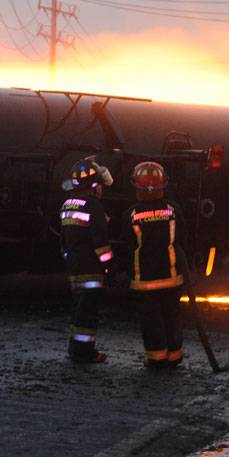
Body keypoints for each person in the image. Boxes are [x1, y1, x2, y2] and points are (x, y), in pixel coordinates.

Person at [126, 161, 186, 369]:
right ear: (164, 185)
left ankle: (156, 358)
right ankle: (174, 356)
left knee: (152, 320)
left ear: (137, 186)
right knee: (172, 317)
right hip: (172, 277)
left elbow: (127, 244)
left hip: (145, 280)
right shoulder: (173, 209)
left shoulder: (132, 214)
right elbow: (182, 239)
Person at [59, 156, 114, 364]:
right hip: (91, 269)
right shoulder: (94, 206)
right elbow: (101, 244)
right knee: (88, 314)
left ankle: (75, 349)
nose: (101, 189)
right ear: (93, 185)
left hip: (75, 268)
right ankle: (85, 353)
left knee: (78, 310)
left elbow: (63, 241)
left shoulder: (67, 205)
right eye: (100, 185)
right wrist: (109, 267)